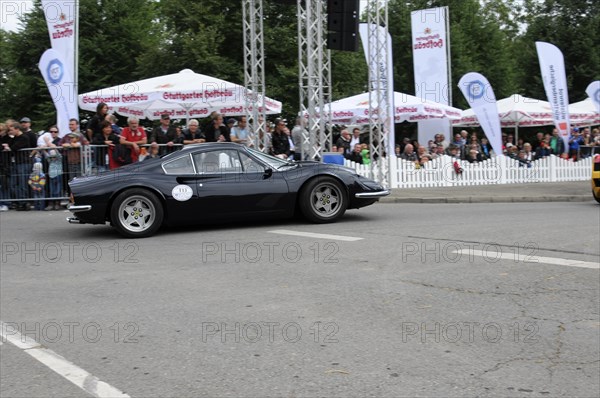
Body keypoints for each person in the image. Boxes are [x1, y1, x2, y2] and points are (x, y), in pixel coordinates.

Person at [7, 121, 32, 210]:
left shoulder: (24, 137)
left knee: (22, 184)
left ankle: (24, 203)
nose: (11, 132)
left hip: (24, 163)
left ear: (17, 129)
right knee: (14, 184)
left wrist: (9, 147)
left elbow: (13, 148)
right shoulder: (15, 137)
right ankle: (19, 201)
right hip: (17, 163)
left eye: (12, 130)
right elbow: (10, 145)